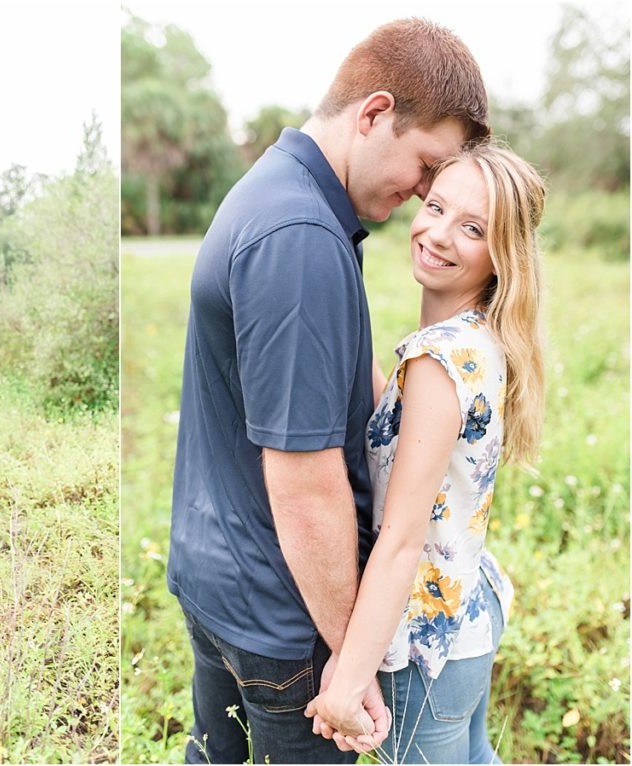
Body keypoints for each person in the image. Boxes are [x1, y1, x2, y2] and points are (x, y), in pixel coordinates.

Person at [166, 18, 490, 764]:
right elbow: (306, 485)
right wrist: (351, 659)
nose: (421, 194)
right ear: (374, 113)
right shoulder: (300, 237)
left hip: (221, 575)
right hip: (284, 617)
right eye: (425, 166)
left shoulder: (276, 191)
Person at [305, 143, 546, 764]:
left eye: (471, 228)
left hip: (423, 647)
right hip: (470, 609)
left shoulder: (439, 360)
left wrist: (346, 685)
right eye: (435, 207)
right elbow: (413, 430)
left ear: (502, 254)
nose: (437, 234)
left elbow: (403, 537)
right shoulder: (481, 338)